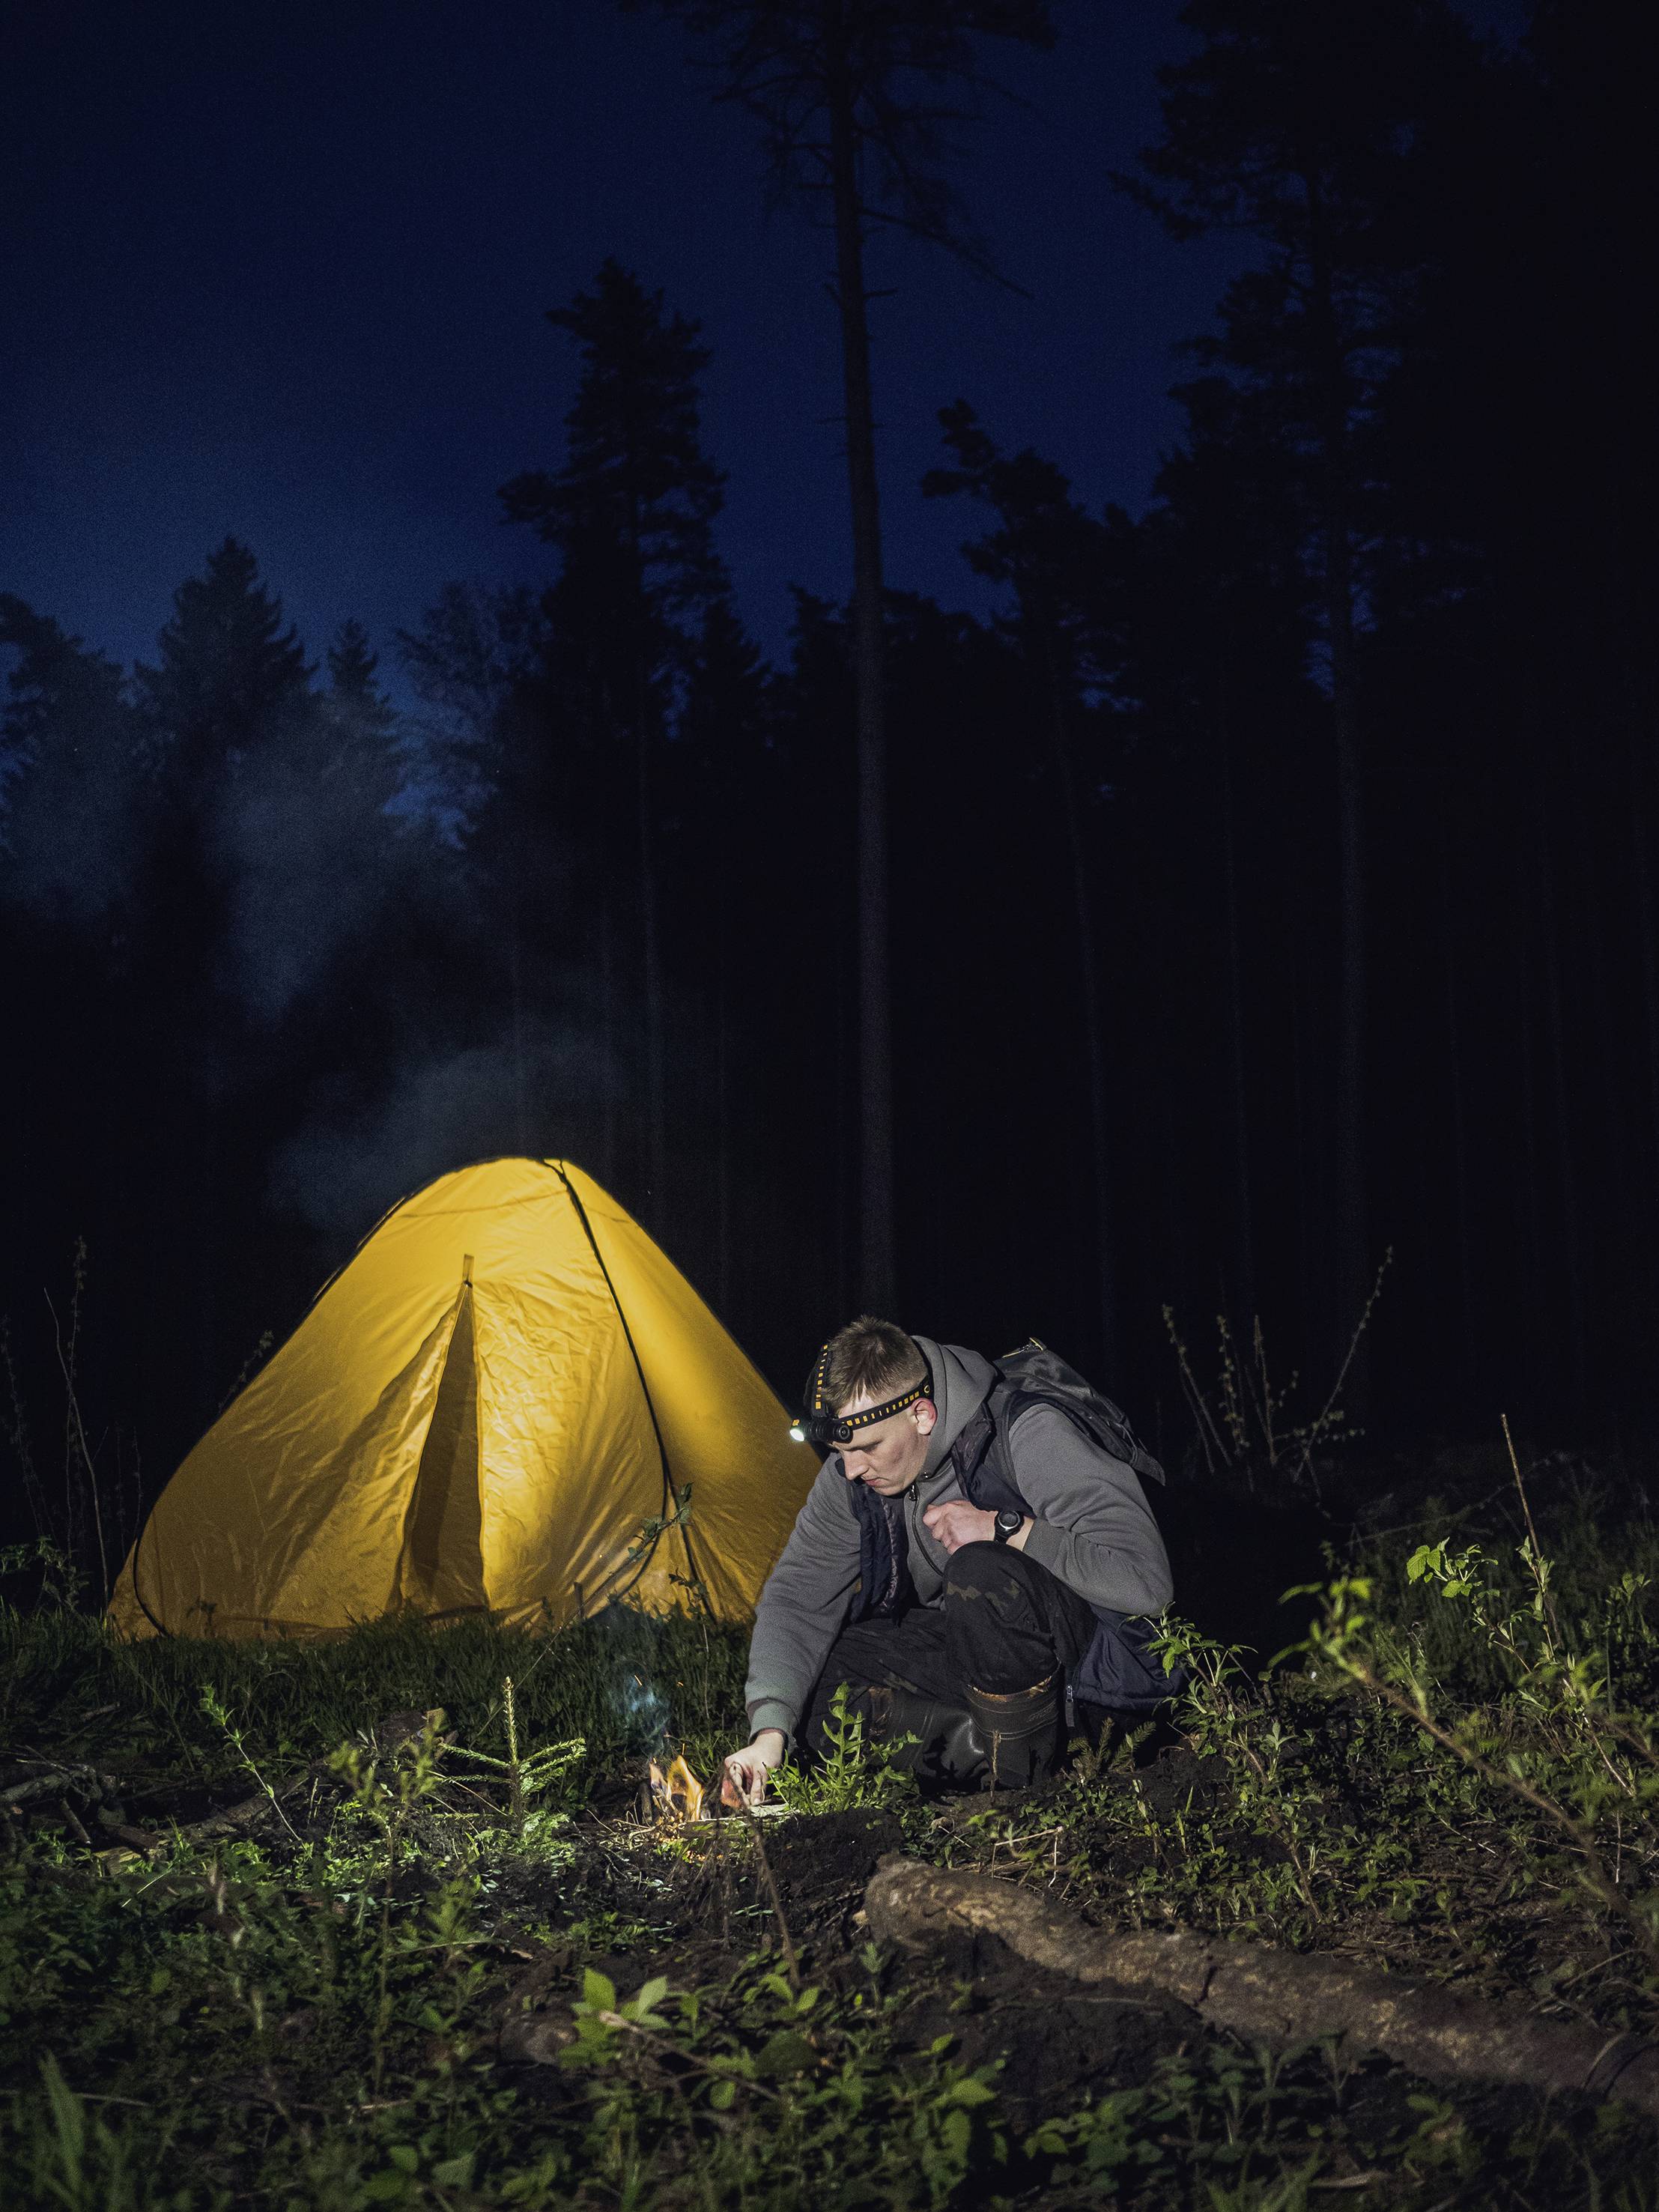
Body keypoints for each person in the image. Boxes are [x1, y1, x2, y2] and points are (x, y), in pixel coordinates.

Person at [722, 1316, 1174, 1808]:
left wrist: (1006, 1530)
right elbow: (797, 1598)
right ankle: (1003, 1761)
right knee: (819, 1687)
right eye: (840, 1451)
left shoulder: (1029, 1430)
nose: (851, 1469)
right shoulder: (854, 1475)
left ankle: (1020, 1805)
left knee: (980, 1570)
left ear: (921, 1415)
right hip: (993, 1680)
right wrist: (769, 1736)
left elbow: (1145, 1584)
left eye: (867, 1448)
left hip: (1100, 1686)